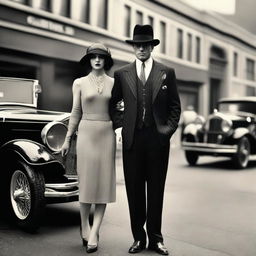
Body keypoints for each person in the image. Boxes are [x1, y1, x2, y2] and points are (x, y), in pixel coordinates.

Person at [110, 25, 181, 255]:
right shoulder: (122, 74)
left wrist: (166, 131)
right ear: (133, 47)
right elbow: (115, 105)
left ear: (151, 47)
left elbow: (174, 107)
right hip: (133, 139)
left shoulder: (166, 72)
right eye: (137, 45)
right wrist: (120, 128)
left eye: (145, 45)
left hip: (157, 140)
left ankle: (156, 239)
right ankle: (138, 238)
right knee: (134, 190)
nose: (141, 49)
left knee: (156, 190)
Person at [61, 43, 116, 254]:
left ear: (106, 60)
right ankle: (84, 224)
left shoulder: (114, 82)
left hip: (107, 133)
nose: (97, 60)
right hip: (86, 133)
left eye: (101, 57)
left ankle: (94, 231)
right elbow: (75, 111)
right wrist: (67, 138)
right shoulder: (80, 83)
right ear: (89, 60)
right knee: (86, 183)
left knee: (103, 185)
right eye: (93, 57)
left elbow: (119, 109)